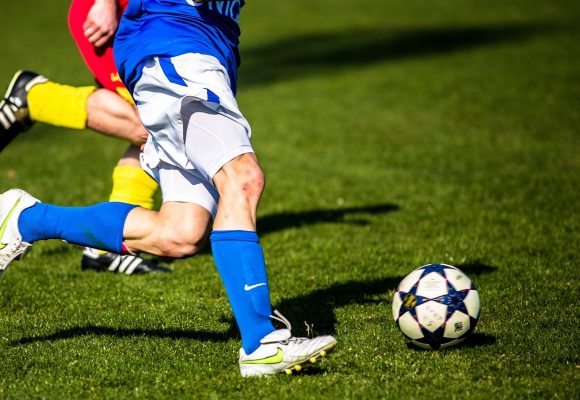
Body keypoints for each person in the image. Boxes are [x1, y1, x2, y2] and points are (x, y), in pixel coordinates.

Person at [0, 0, 337, 376]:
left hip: (204, 48)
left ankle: (25, 219)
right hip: (174, 42)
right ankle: (261, 343)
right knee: (242, 178)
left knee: (179, 233)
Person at [0, 0, 168, 274]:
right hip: (112, 13)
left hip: (152, 17)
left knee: (160, 127)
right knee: (153, 127)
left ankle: (105, 248)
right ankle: (35, 98)